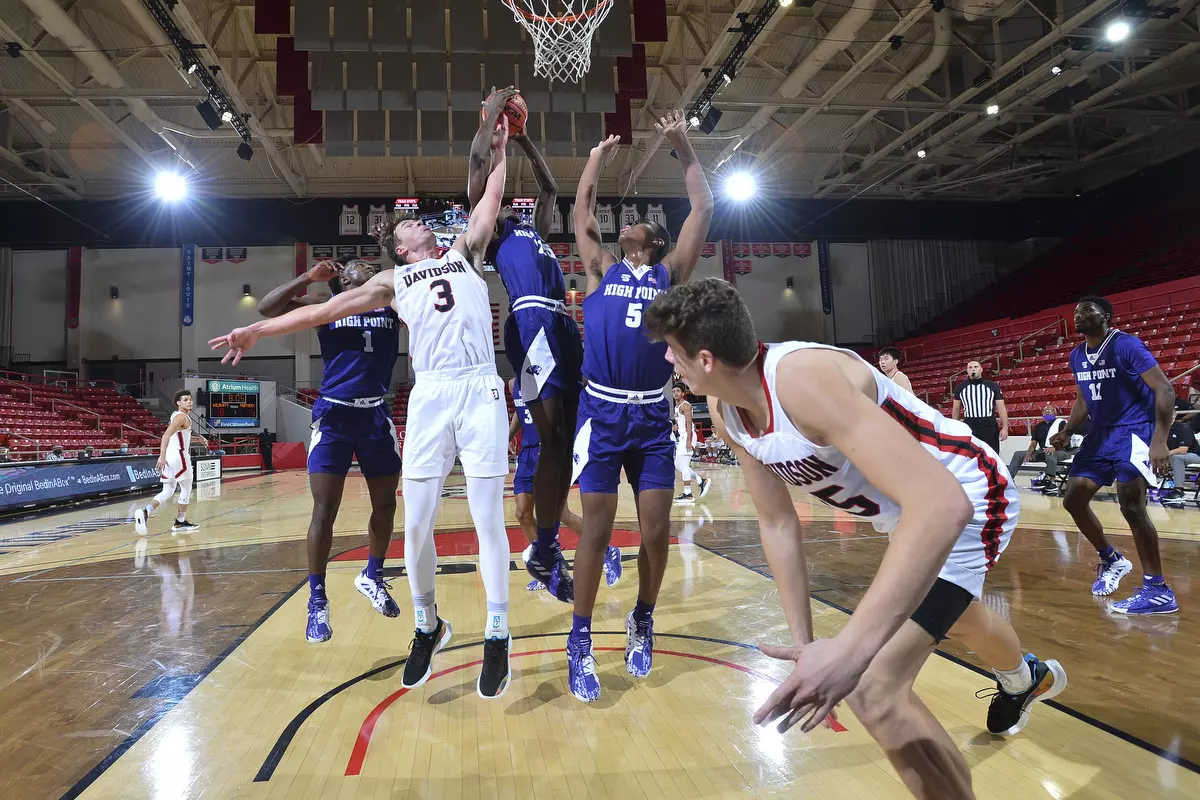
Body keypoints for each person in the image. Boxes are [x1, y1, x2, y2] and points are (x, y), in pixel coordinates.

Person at [645, 278, 1067, 799]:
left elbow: (941, 505)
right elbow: (777, 523)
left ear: (706, 359)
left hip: (965, 490)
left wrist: (848, 651)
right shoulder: (727, 412)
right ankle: (1027, 678)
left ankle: (1018, 683)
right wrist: (805, 647)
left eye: (673, 350)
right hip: (907, 509)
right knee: (953, 616)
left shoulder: (804, 381)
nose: (668, 361)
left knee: (873, 685)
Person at [210, 120, 514, 698]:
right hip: (429, 394)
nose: (422, 223)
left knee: (485, 519)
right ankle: (427, 625)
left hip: (479, 387)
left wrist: (502, 148)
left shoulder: (466, 252)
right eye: (411, 225)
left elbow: (492, 198)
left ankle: (497, 631)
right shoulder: (390, 280)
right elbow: (319, 314)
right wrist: (257, 328)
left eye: (422, 220)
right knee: (417, 524)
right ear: (401, 247)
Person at [565, 109, 713, 703]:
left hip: (651, 417)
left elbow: (701, 210)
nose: (631, 226)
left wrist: (681, 144)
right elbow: (581, 213)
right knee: (596, 534)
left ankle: (642, 619)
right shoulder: (599, 269)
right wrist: (596, 158)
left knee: (656, 533)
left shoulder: (670, 274)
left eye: (642, 226)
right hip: (601, 414)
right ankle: (579, 643)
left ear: (651, 242)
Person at [257, 258, 402, 643]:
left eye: (372, 263)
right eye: (355, 265)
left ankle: (373, 576)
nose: (365, 266)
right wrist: (306, 277)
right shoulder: (327, 306)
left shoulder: (393, 298)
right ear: (342, 278)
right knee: (325, 509)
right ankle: (317, 601)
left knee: (386, 505)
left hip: (375, 414)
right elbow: (266, 309)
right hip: (334, 416)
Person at [1050, 296, 1178, 614]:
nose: (1078, 316)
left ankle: (1157, 589)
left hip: (1135, 431)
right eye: (1075, 312)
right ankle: (1111, 559)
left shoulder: (1126, 345)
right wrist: (1068, 429)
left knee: (1132, 507)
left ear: (1105, 316)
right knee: (1073, 499)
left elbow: (1165, 389)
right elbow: (1083, 397)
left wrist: (1159, 440)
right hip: (1101, 434)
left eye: (1087, 311)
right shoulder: (1077, 354)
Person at [508, 378, 621, 591]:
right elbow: (520, 409)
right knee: (522, 514)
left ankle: (606, 550)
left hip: (550, 448)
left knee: (560, 513)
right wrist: (509, 435)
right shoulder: (514, 384)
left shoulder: (549, 376)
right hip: (527, 453)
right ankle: (549, 570)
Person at [134, 390, 204, 535]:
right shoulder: (181, 417)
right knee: (186, 488)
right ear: (178, 403)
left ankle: (146, 511)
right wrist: (161, 456)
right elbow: (165, 435)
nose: (189, 401)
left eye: (190, 399)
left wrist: (198, 439)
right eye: (185, 399)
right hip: (178, 456)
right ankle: (180, 522)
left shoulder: (175, 416)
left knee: (168, 490)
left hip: (171, 457)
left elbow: (177, 437)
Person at [1007, 405, 1075, 492]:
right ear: (1042, 413)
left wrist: (1054, 448)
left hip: (1062, 451)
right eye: (1045, 410)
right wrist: (1028, 454)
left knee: (1050, 453)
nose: (1047, 411)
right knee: (1018, 454)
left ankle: (1051, 483)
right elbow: (1033, 443)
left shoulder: (1062, 423)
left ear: (1055, 413)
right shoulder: (1039, 426)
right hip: (1044, 451)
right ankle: (1008, 480)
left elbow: (1066, 440)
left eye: (1050, 410)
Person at [952, 361, 1007, 452]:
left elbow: (1001, 408)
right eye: (970, 367)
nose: (973, 369)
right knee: (971, 455)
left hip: (989, 424)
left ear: (981, 369)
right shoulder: (960, 388)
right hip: (970, 425)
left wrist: (1005, 428)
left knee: (991, 453)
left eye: (976, 367)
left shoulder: (993, 386)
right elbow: (956, 408)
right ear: (967, 371)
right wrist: (955, 427)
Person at [671, 384, 710, 504]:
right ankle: (701, 481)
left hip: (688, 436)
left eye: (678, 391)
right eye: (674, 391)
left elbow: (689, 423)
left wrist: (688, 440)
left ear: (683, 393)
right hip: (683, 436)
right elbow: (681, 424)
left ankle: (688, 494)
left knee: (683, 465)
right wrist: (674, 428)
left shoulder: (686, 406)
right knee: (678, 464)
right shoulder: (677, 407)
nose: (675, 393)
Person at [1159, 418, 1200, 508]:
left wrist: (1163, 454)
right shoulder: (1161, 430)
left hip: (1195, 455)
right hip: (1174, 456)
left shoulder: (1184, 429)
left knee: (1177, 458)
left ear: (1174, 416)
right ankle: (1142, 487)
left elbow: (1183, 450)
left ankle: (1178, 491)